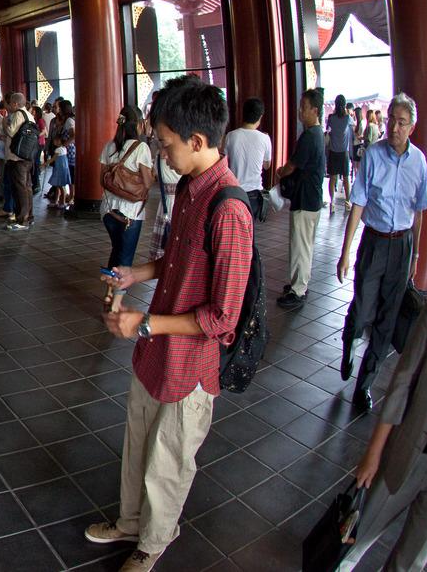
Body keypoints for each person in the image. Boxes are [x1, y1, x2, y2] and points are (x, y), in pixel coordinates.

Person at [86, 75, 252, 572]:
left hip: (190, 360)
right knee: (139, 442)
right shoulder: (190, 187)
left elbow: (223, 317)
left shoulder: (230, 208)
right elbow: (176, 257)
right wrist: (137, 272)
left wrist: (145, 323)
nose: (161, 152)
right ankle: (132, 521)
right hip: (157, 348)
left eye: (166, 143)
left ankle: (153, 542)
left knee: (168, 460)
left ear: (198, 142)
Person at [335, 253, 427, 572]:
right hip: (411, 450)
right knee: (351, 541)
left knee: (412, 562)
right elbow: (403, 379)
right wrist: (374, 454)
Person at [338, 92, 427, 413]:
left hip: (402, 245)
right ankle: (349, 340)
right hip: (373, 243)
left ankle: (364, 385)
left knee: (388, 319)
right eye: (391, 121)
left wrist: (416, 255)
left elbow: (419, 211)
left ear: (412, 127)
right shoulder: (373, 156)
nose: (394, 128)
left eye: (402, 123)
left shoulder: (419, 162)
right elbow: (358, 204)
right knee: (363, 309)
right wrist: (345, 251)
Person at [99, 105, 154, 312]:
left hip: (108, 210)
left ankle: (109, 292)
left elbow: (102, 180)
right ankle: (115, 303)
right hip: (131, 212)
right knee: (125, 257)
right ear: (138, 124)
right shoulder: (141, 148)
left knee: (117, 251)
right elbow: (147, 183)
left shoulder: (109, 146)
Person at [276, 88, 325, 311]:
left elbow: (292, 166)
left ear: (315, 110)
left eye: (304, 107)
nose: (299, 110)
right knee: (304, 244)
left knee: (301, 246)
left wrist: (280, 172)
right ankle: (299, 283)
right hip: (310, 198)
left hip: (305, 200)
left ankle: (298, 290)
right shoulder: (316, 134)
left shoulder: (310, 136)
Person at [222, 97, 272, 220]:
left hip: (235, 191)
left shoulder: (231, 136)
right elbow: (267, 166)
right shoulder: (265, 138)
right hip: (255, 194)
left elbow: (224, 162)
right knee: (251, 231)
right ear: (260, 117)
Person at [1, 93, 35, 231]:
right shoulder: (29, 115)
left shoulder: (17, 115)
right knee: (26, 187)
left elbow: (11, 131)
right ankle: (28, 216)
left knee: (20, 188)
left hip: (17, 158)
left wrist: (4, 123)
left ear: (15, 104)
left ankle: (22, 220)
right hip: (27, 156)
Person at [326, 94, 354, 212]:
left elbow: (328, 129)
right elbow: (354, 124)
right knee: (346, 178)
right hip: (344, 152)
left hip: (333, 151)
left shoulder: (331, 118)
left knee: (333, 178)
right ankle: (347, 202)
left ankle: (332, 202)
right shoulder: (347, 118)